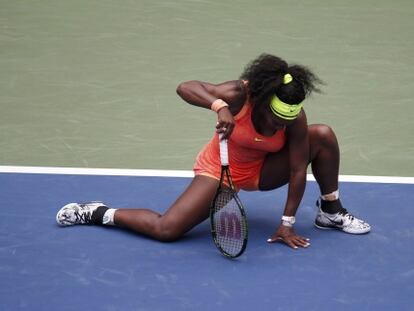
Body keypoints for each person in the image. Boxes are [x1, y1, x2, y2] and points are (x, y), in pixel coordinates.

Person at [56, 54, 370, 250]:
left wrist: (287, 222)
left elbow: (298, 169)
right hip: (221, 169)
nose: (279, 127)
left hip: (263, 170)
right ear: (261, 100)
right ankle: (99, 212)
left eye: (286, 121)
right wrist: (219, 108)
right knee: (167, 230)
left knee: (323, 134)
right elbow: (185, 86)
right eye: (275, 119)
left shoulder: (293, 119)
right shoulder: (238, 94)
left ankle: (330, 212)